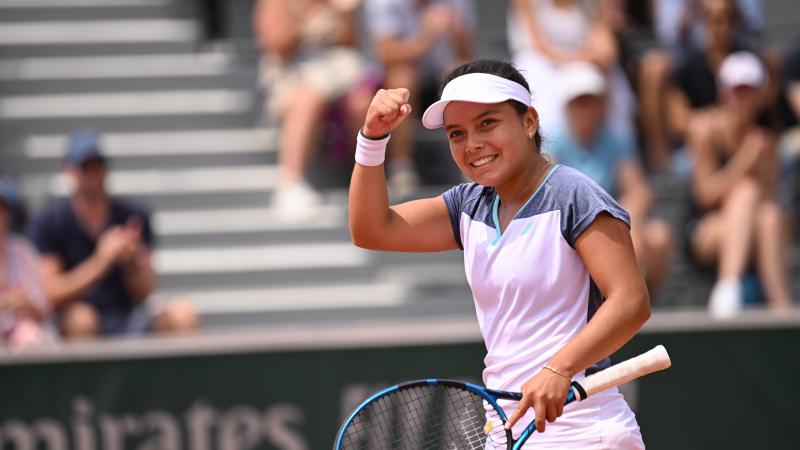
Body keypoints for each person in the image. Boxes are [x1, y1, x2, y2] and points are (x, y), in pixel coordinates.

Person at [349, 59, 650, 448]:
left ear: (529, 122)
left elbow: (631, 301)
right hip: (508, 431)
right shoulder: (468, 205)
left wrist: (559, 369)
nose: (472, 143)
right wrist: (372, 138)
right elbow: (371, 229)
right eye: (457, 133)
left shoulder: (575, 195)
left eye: (487, 123)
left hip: (587, 433)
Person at [28, 130, 198, 339]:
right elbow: (50, 293)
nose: (94, 173)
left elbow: (145, 291)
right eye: (86, 167)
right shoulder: (49, 221)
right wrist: (101, 261)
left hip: (128, 315)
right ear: (69, 171)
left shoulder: (134, 215)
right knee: (82, 319)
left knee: (183, 314)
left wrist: (133, 260)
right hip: (76, 318)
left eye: (98, 165)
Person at [549, 62, 673, 297]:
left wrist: (625, 222)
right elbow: (551, 196)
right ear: (567, 106)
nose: (585, 108)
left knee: (659, 236)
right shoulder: (552, 140)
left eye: (591, 100)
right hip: (572, 228)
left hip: (610, 221)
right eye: (579, 101)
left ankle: (636, 302)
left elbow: (638, 190)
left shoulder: (616, 137)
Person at [686, 52, 793, 318]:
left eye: (748, 91)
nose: (741, 99)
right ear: (723, 92)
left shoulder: (766, 137)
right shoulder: (705, 129)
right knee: (747, 191)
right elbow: (705, 195)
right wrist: (744, 162)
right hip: (707, 228)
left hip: (752, 228)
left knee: (769, 217)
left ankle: (781, 308)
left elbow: (770, 198)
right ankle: (730, 287)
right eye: (736, 90)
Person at [254, 0, 371, 217]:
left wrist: (340, 13)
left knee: (363, 101)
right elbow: (274, 44)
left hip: (338, 72)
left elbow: (351, 40)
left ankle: (368, 181)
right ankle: (289, 182)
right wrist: (305, 25)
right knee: (307, 98)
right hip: (290, 75)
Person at [364, 0, 475, 195]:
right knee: (402, 77)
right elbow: (388, 54)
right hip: (397, 82)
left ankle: (473, 160)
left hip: (441, 79)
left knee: (462, 72)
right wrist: (428, 34)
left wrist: (458, 34)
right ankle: (401, 169)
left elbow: (467, 54)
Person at [507, 0, 636, 142]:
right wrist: (570, 60)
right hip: (542, 63)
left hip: (580, 60)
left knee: (612, 81)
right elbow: (538, 43)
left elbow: (605, 46)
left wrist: (585, 57)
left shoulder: (592, 5)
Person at [0, 177, 53, 348]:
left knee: (33, 336)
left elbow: (42, 312)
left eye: (2, 208)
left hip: (20, 341)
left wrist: (24, 304)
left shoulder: (22, 251)